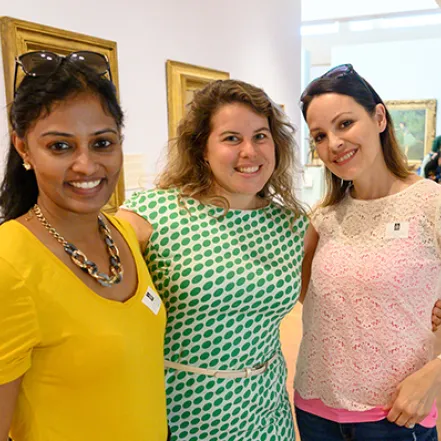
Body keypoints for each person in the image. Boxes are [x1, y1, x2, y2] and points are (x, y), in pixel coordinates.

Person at [118, 79, 308, 441]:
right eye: (232, 138)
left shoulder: (293, 225)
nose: (249, 151)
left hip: (265, 410)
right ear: (202, 149)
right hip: (179, 411)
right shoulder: (152, 214)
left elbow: (338, 296)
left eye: (261, 136)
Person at [0, 51, 167, 441]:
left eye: (102, 143)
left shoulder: (121, 232)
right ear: (24, 149)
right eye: (60, 147)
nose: (86, 165)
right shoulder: (10, 262)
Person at [295, 63, 441, 441]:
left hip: (395, 415)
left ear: (379, 117)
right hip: (314, 410)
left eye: (345, 124)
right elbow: (290, 291)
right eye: (320, 136)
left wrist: (434, 374)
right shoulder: (323, 218)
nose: (334, 144)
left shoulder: (430, 203)